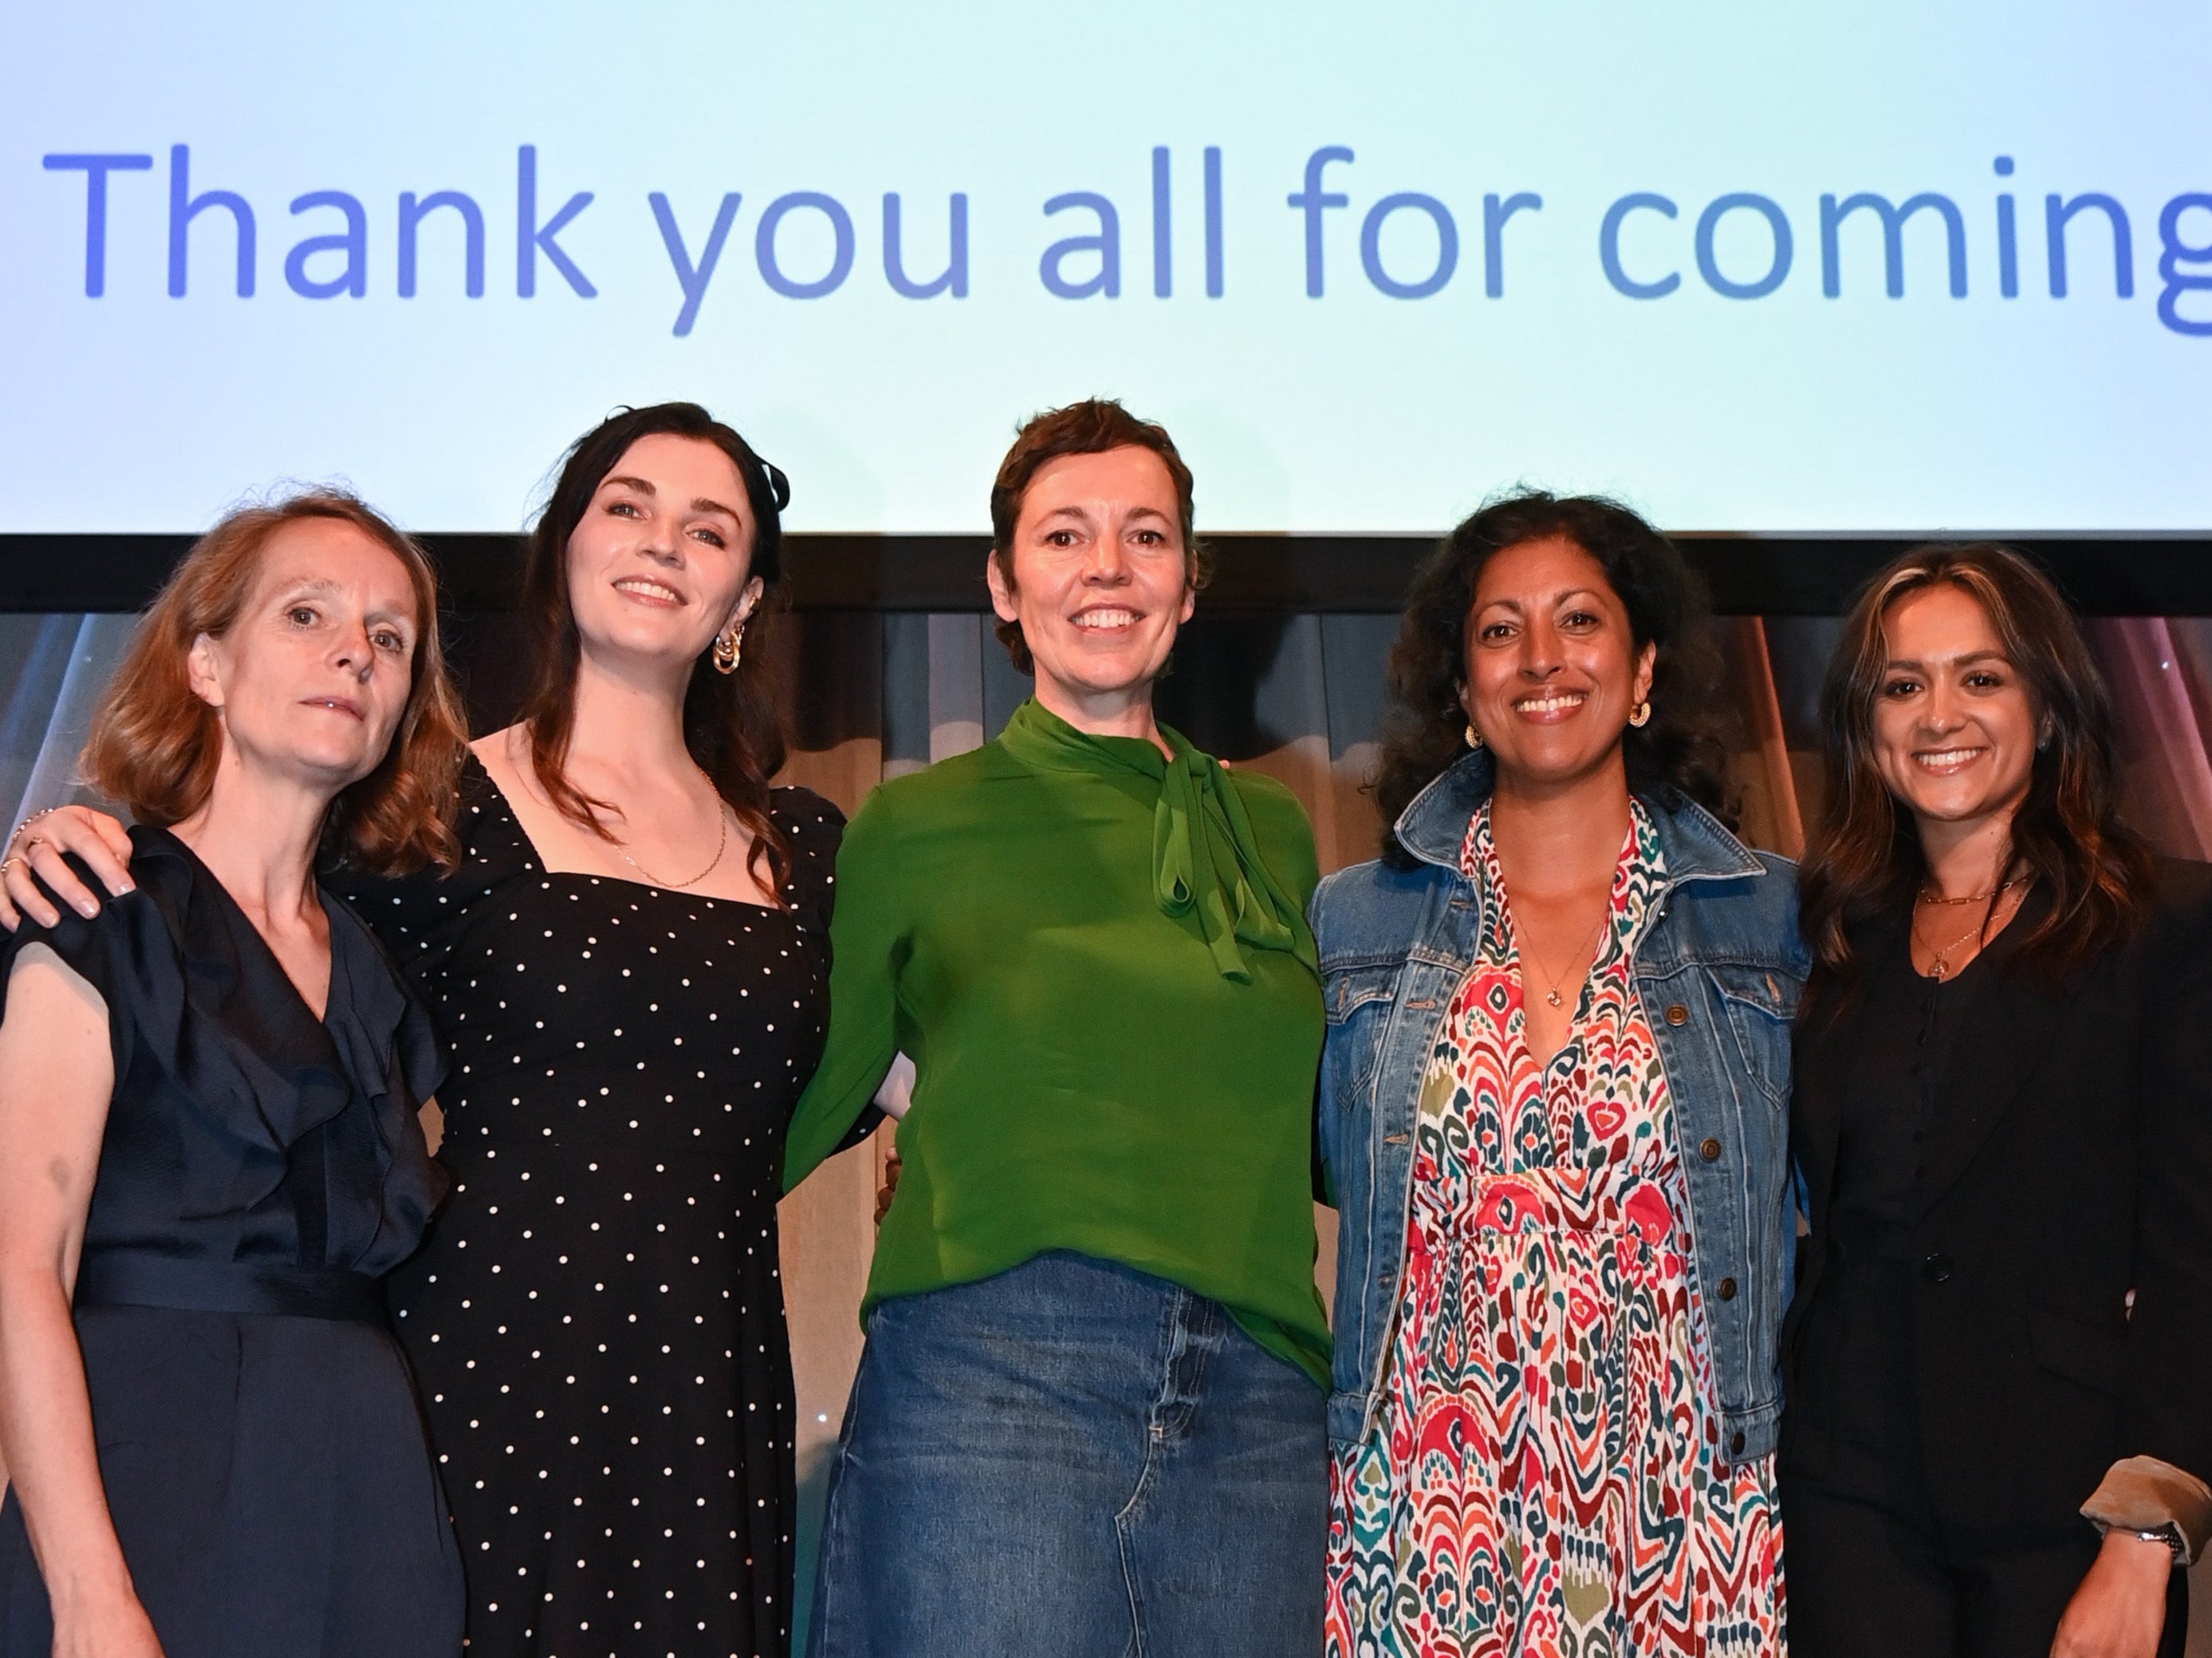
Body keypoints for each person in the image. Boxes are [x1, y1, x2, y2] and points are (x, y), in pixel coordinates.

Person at [2, 404, 846, 1658]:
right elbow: (218, 890)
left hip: (697, 1387)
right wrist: (67, 834)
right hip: (472, 1379)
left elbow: (916, 1056)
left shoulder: (812, 855)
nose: (662, 543)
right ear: (561, 549)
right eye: (626, 506)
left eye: (707, 528)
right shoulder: (427, 819)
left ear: (743, 603)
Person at [781, 399, 1330, 1657]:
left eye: (1145, 538)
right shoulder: (912, 827)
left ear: (1189, 584)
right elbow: (810, 1096)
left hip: (1256, 1388)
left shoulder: (1280, 836)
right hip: (992, 1375)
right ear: (1003, 582)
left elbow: (1329, 1132)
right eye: (1064, 536)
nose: (1107, 570)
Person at [1314, 492, 1804, 1655]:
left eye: (1579, 620)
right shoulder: (1354, 922)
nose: (1541, 658)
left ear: (1642, 670)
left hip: (1689, 1511)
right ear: (1460, 690)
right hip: (1424, 1509)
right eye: (1499, 631)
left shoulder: (1770, 920)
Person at [0, 491, 468, 1656]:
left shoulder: (377, 973)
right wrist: (90, 1595)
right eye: (305, 615)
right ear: (205, 662)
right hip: (142, 1474)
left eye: (388, 636)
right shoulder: (98, 907)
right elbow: (17, 1267)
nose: (353, 651)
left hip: (363, 1496)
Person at [1781, 543, 2212, 1658]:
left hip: (2066, 1511)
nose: (1938, 716)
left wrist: (2145, 1531)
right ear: (1863, 720)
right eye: (1901, 684)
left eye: (1980, 678)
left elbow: (2193, 1254)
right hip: (1846, 1505)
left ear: (2047, 701)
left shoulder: (2163, 925)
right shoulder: (1829, 938)